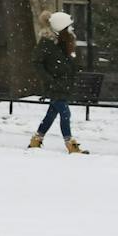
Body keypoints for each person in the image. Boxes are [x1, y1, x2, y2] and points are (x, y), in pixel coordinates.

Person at [28, 11, 86, 153]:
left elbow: (69, 63)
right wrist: (49, 80)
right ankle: (70, 143)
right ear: (60, 28)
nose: (71, 30)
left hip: (63, 84)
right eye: (68, 27)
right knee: (65, 113)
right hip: (55, 86)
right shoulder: (47, 43)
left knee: (51, 114)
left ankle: (37, 139)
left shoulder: (64, 42)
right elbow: (37, 62)